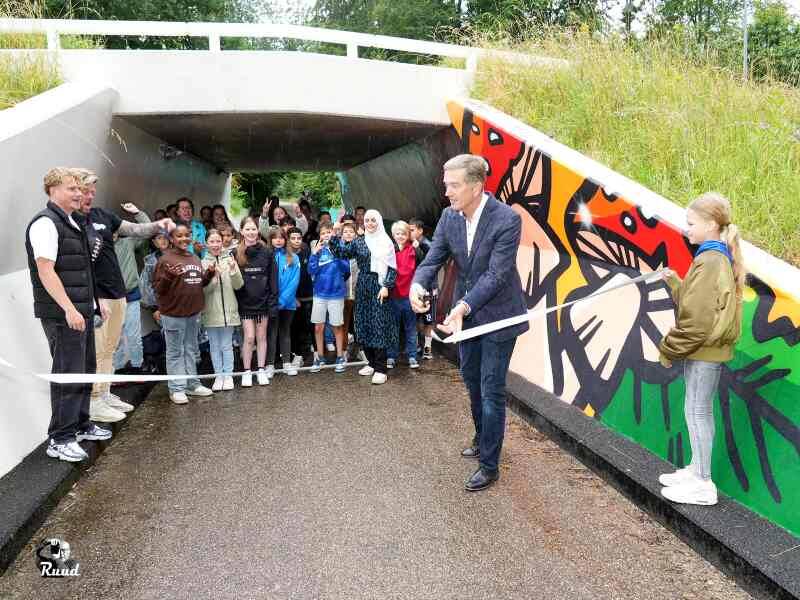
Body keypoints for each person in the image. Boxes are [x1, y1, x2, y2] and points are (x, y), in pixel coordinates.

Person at [410, 154, 529, 492]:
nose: (446, 192)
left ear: (476, 187)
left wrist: (462, 305)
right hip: (467, 317)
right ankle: (482, 437)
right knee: (471, 380)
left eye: (454, 185)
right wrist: (417, 285)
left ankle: (489, 465)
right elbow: (433, 259)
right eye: (446, 184)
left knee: (491, 390)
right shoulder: (449, 217)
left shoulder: (507, 220)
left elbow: (496, 275)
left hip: (499, 318)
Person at [658, 192, 743, 506]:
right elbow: (700, 303)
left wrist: (668, 350)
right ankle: (696, 470)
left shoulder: (710, 261)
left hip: (703, 350)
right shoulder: (712, 257)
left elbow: (696, 322)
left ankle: (703, 483)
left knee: (698, 411)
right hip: (704, 350)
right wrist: (677, 283)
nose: (686, 229)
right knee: (694, 409)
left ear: (711, 224)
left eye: (691, 223)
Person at [74, 169, 174, 421]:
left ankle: (105, 393)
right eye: (86, 190)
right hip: (97, 297)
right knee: (97, 350)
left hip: (119, 293)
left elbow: (138, 230)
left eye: (93, 191)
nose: (90, 195)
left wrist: (158, 224)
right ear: (74, 191)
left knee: (109, 348)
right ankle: (94, 400)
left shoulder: (103, 216)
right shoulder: (69, 221)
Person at [25, 167, 111, 462]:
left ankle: (81, 425)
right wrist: (70, 309)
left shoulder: (72, 222)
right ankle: (60, 438)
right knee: (67, 373)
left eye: (79, 188)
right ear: (52, 190)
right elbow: (45, 270)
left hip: (81, 311)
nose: (79, 194)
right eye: (71, 188)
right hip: (64, 314)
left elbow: (82, 270)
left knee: (84, 368)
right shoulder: (45, 224)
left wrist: (94, 302)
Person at [329, 209, 397, 385]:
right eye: (367, 220)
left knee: (378, 324)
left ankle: (381, 368)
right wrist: (335, 232)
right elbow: (341, 252)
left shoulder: (386, 242)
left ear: (379, 221)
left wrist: (387, 286)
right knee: (363, 323)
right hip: (363, 285)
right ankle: (371, 363)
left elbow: (392, 267)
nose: (370, 223)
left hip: (379, 286)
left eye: (373, 220)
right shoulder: (360, 242)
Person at [152, 224, 215, 404]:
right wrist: (169, 276)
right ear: (172, 239)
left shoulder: (194, 257)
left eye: (186, 235)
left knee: (190, 350)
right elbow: (157, 289)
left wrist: (208, 276)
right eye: (179, 236)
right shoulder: (165, 259)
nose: (184, 239)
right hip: (173, 313)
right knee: (175, 352)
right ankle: (176, 388)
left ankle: (192, 384)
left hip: (193, 313)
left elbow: (196, 282)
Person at [234, 216, 278, 387]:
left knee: (261, 336)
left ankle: (260, 369)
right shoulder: (235, 252)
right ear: (242, 231)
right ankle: (246, 371)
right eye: (248, 229)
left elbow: (273, 280)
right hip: (245, 303)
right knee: (249, 337)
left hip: (263, 303)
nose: (251, 232)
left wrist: (272, 303)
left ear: (257, 231)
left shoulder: (267, 252)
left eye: (254, 229)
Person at [111, 203, 152, 376]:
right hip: (111, 297)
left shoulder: (127, 242)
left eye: (114, 229)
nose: (112, 233)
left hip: (131, 294)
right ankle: (118, 368)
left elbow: (147, 229)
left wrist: (137, 212)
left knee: (133, 333)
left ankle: (138, 365)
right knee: (115, 336)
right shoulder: (98, 247)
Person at [202, 229, 244, 392]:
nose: (215, 244)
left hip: (229, 311)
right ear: (207, 244)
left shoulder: (230, 260)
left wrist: (233, 270)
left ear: (222, 242)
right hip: (211, 311)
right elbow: (203, 290)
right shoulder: (203, 263)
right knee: (214, 346)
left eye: (218, 241)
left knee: (226, 345)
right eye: (212, 241)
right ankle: (218, 375)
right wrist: (214, 278)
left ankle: (228, 375)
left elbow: (238, 285)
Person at [308, 222, 350, 373]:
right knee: (318, 326)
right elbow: (310, 270)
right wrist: (314, 254)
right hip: (319, 293)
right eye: (323, 233)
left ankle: (340, 357)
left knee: (336, 326)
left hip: (336, 294)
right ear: (320, 236)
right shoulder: (317, 250)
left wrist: (336, 254)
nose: (326, 235)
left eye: (328, 232)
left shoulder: (339, 247)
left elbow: (346, 269)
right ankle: (319, 357)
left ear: (333, 233)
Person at [387, 220, 423, 369]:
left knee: (411, 328)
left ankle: (412, 356)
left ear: (408, 235)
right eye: (398, 233)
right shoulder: (390, 250)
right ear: (393, 235)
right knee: (393, 328)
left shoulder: (414, 249)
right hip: (393, 295)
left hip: (409, 296)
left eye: (404, 233)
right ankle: (391, 356)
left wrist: (418, 246)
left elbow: (423, 266)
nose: (400, 236)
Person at [266, 228, 300, 377]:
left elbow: (294, 280)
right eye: (275, 238)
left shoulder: (293, 257)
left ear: (285, 240)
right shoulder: (267, 256)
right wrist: (274, 300)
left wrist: (283, 300)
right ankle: (269, 365)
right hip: (272, 302)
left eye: (281, 238)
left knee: (285, 332)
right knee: (271, 333)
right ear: (271, 240)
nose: (278, 240)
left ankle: (286, 363)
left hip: (288, 303)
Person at [409, 218, 435, 360]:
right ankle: (420, 344)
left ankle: (427, 347)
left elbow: (431, 261)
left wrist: (418, 247)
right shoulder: (410, 245)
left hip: (428, 289)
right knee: (417, 318)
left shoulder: (427, 245)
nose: (410, 233)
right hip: (415, 288)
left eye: (412, 230)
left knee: (428, 320)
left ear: (420, 230)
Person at [288, 226, 314, 361]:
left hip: (308, 295)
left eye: (299, 238)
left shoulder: (306, 250)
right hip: (292, 297)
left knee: (308, 324)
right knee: (294, 326)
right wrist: (293, 297)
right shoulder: (285, 255)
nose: (296, 241)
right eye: (293, 238)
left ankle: (309, 353)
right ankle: (296, 353)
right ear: (288, 239)